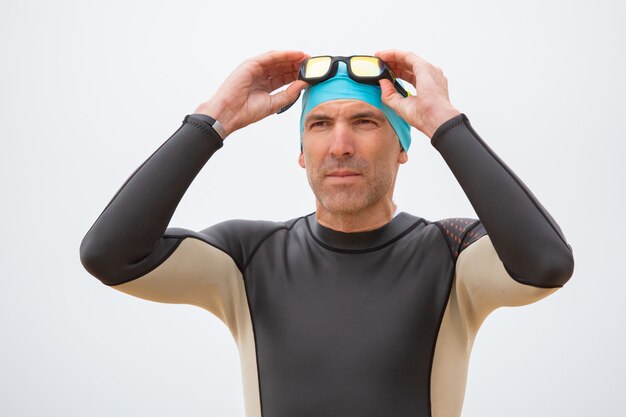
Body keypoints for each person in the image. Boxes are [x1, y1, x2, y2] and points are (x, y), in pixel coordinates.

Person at [80, 50, 574, 417]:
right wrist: (214, 119)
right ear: (301, 151)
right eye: (319, 124)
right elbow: (110, 255)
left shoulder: (451, 254)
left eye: (364, 121)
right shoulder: (248, 259)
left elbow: (545, 264)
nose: (339, 145)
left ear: (404, 144)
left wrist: (443, 120)